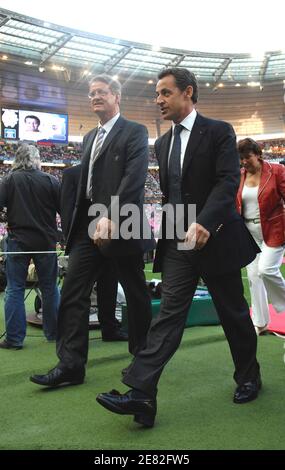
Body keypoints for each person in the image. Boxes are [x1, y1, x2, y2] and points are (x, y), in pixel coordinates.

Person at [96, 67, 261, 428]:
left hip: (216, 239)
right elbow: (172, 197)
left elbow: (227, 180)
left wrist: (206, 222)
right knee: (169, 315)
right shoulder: (163, 142)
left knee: (233, 313)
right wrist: (168, 241)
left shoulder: (219, 131)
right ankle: (141, 394)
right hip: (179, 244)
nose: (158, 100)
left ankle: (248, 376)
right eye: (157, 94)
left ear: (187, 93)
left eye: (165, 93)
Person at [30, 74, 154, 387]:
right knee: (73, 293)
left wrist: (111, 216)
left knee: (136, 293)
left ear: (117, 96)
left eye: (101, 92)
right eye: (91, 93)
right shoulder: (88, 139)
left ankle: (142, 359)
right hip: (87, 227)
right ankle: (71, 364)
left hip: (121, 221)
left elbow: (133, 178)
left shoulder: (135, 132)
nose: (94, 97)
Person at [0, 144, 60, 349]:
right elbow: (64, 210)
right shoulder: (51, 180)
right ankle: (54, 334)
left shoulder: (8, 181)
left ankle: (15, 339)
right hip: (45, 241)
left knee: (14, 288)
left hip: (18, 241)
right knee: (50, 288)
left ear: (17, 159)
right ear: (37, 159)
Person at [60, 164, 127, 341]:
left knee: (109, 285)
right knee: (79, 290)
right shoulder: (72, 173)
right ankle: (75, 336)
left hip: (109, 238)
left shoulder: (112, 173)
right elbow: (66, 208)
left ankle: (109, 329)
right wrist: (70, 239)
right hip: (83, 239)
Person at [236, 138, 285, 335]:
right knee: (254, 277)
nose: (244, 162)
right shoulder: (239, 176)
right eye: (241, 158)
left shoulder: (277, 171)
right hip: (248, 233)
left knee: (266, 270)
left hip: (273, 229)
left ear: (258, 154)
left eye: (247, 157)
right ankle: (260, 323)